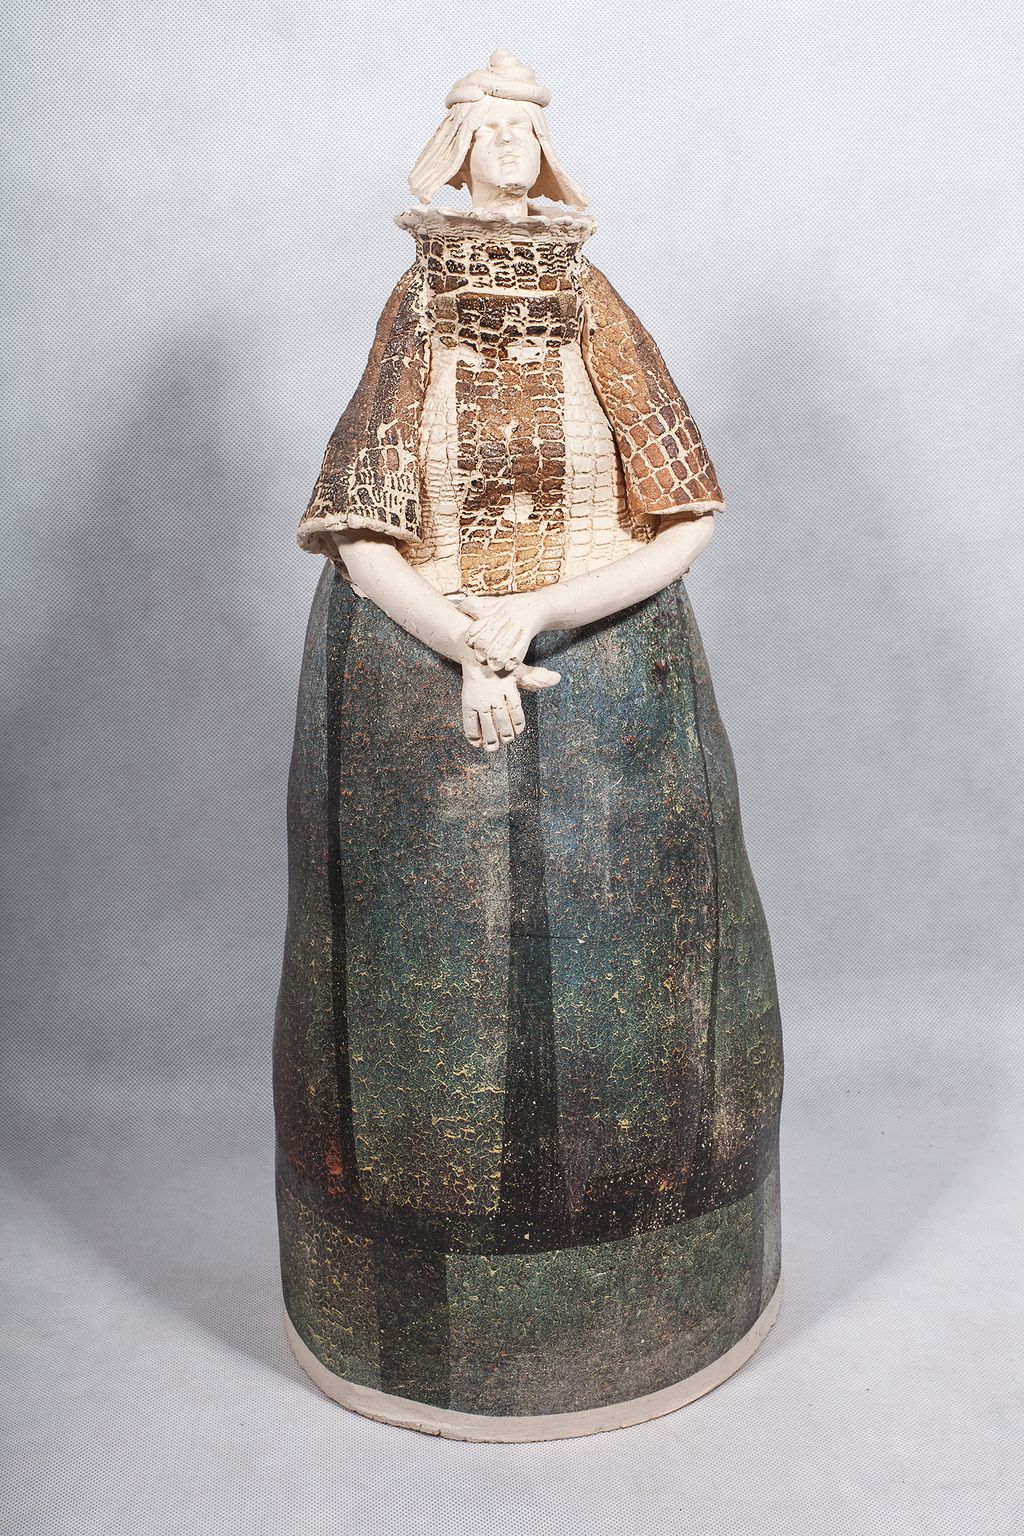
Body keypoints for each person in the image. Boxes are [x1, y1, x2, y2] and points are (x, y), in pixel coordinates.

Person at [274, 50, 783, 1440]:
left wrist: (541, 613)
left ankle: (659, 1311)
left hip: (614, 684)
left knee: (642, 982)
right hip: (405, 686)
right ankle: (396, 1330)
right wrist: (462, 639)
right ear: (456, 144)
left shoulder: (595, 303)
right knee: (410, 1001)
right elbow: (363, 530)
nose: (509, 142)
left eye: (525, 126)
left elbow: (684, 513)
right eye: (488, 124)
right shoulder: (415, 308)